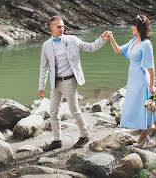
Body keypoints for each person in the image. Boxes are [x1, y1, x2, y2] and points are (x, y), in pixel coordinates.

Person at [39, 16, 110, 151]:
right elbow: (44, 67)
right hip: (55, 83)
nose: (62, 29)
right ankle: (56, 140)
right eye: (59, 26)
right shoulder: (46, 45)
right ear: (51, 28)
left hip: (69, 81)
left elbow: (90, 47)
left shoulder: (72, 40)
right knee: (53, 112)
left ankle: (84, 135)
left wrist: (103, 39)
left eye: (63, 26)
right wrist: (41, 85)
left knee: (74, 110)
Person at [108, 14, 156, 148]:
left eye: (134, 25)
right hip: (133, 80)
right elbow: (118, 50)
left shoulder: (146, 45)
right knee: (150, 108)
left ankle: (143, 136)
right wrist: (111, 37)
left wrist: (152, 85)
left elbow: (151, 67)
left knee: (145, 109)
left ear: (139, 27)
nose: (131, 27)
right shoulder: (134, 40)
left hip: (142, 81)